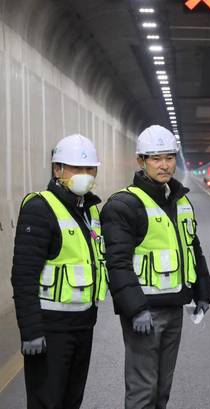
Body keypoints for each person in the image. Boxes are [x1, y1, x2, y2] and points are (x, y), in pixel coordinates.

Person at [101, 125, 210, 409]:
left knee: (163, 388)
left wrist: (203, 291)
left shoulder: (179, 200)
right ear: (141, 162)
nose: (164, 165)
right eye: (155, 158)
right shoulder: (124, 204)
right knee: (143, 389)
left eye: (169, 157)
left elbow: (192, 248)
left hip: (174, 306)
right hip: (145, 311)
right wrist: (136, 308)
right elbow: (117, 262)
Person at [11, 134, 107, 409]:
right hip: (50, 329)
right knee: (47, 402)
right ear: (58, 170)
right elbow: (24, 276)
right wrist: (31, 331)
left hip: (83, 325)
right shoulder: (40, 208)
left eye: (90, 169)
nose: (85, 175)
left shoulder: (89, 210)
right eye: (77, 168)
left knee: (71, 401)